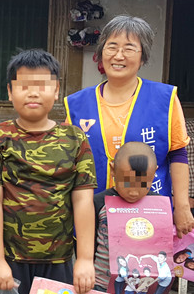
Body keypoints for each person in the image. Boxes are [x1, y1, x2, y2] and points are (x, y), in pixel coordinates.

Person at [0, 49, 97, 294]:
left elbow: (82, 200)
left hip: (57, 262)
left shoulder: (74, 139)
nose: (33, 91)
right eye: (24, 84)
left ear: (56, 91)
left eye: (42, 84)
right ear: (10, 92)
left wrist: (84, 259)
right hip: (9, 264)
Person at [64, 15, 194, 239]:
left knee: (149, 272)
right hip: (93, 216)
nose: (118, 55)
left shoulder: (165, 98)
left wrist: (182, 205)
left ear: (143, 57)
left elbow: (178, 153)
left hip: (150, 214)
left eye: (129, 48)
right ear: (101, 53)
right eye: (111, 47)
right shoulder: (76, 104)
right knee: (97, 272)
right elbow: (67, 160)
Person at [79, 141, 165, 294]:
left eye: (143, 182)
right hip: (102, 287)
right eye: (127, 181)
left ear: (154, 175)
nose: (134, 190)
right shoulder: (98, 203)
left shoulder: (159, 206)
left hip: (143, 288)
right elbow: (87, 242)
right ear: (112, 170)